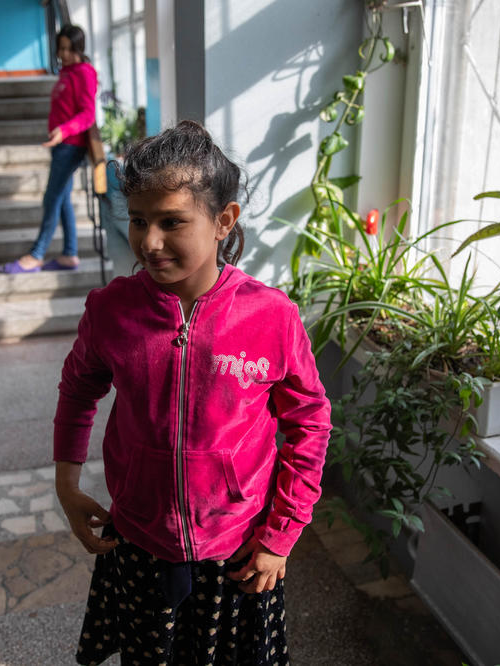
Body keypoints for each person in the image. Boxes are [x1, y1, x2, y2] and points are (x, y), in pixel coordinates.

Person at [53, 121, 332, 665]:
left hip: (240, 549)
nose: (149, 242)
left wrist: (282, 533)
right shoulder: (111, 311)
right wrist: (67, 483)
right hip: (138, 541)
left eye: (172, 222)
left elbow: (310, 422)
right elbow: (78, 388)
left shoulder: (271, 316)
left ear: (223, 221)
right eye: (138, 221)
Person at [0, 24, 97, 274]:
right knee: (62, 198)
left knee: (51, 197)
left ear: (79, 48)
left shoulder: (85, 72)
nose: (63, 54)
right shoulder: (66, 72)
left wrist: (64, 130)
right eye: (61, 48)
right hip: (60, 145)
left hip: (70, 146)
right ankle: (70, 254)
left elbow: (87, 115)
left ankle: (37, 254)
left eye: (68, 49)